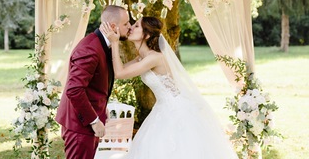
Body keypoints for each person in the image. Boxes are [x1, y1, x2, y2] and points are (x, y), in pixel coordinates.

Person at [100, 16, 238, 159]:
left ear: (146, 35)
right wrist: (109, 44)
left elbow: (120, 73)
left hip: (176, 109)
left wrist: (115, 43)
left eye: (136, 26)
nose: (131, 28)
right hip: (162, 108)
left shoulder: (154, 58)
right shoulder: (142, 58)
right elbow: (117, 72)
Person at [55, 5, 131, 159]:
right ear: (113, 27)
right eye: (126, 24)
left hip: (87, 121)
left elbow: (94, 85)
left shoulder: (104, 43)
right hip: (80, 126)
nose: (129, 27)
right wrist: (94, 121)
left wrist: (101, 108)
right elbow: (74, 90)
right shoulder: (90, 49)